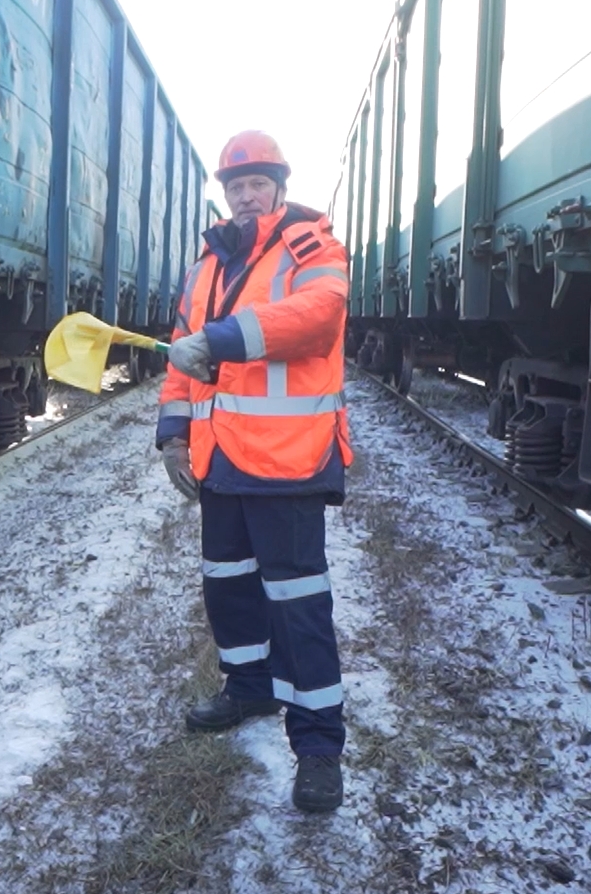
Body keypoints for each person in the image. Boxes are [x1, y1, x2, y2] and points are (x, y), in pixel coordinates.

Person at [155, 130, 352, 813]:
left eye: (255, 184)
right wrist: (173, 434)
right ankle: (247, 688)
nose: (244, 195)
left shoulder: (307, 242)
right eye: (235, 186)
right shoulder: (208, 264)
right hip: (220, 462)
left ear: (278, 186)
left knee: (298, 609)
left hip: (287, 461)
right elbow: (181, 359)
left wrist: (222, 338)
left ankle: (319, 747)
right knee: (229, 589)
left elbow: (318, 316)